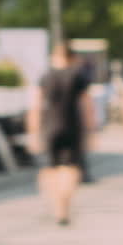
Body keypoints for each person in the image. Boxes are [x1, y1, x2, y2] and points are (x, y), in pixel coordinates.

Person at [27, 43, 95, 226]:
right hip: (72, 126)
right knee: (71, 167)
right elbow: (87, 106)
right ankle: (65, 204)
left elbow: (35, 106)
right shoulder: (79, 76)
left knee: (49, 168)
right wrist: (91, 131)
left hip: (48, 127)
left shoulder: (45, 76)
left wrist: (33, 132)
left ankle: (55, 204)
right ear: (72, 57)